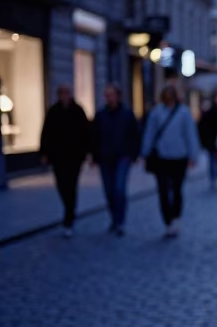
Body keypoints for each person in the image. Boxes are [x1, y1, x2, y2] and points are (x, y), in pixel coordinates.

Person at [140, 84, 200, 237]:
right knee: (163, 191)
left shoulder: (183, 113)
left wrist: (193, 155)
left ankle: (176, 216)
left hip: (179, 157)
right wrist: (145, 151)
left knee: (177, 189)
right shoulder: (156, 113)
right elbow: (150, 133)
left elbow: (190, 134)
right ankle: (167, 220)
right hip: (162, 157)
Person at [40, 84, 91, 237]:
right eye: (61, 93)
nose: (63, 95)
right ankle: (69, 210)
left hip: (74, 157)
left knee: (71, 185)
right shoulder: (54, 111)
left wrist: (87, 152)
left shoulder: (77, 111)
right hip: (58, 157)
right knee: (62, 185)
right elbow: (46, 132)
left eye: (65, 92)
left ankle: (69, 216)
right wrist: (44, 153)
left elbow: (86, 132)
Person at [92, 84, 140, 236]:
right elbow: (94, 136)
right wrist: (94, 156)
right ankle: (114, 218)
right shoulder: (101, 115)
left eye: (111, 95)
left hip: (122, 157)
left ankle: (120, 221)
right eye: (106, 95)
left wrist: (134, 154)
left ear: (118, 96)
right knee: (109, 191)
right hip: (105, 158)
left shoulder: (127, 114)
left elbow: (136, 134)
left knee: (119, 189)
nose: (108, 98)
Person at [198, 94, 217, 189]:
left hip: (211, 141)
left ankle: (213, 177)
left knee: (212, 160)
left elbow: (202, 128)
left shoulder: (208, 113)